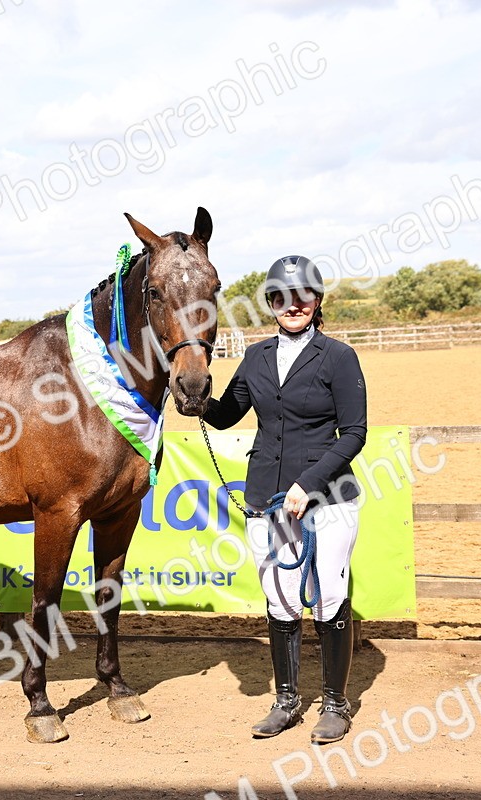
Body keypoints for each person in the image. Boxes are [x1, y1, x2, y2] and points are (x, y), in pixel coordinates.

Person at [202, 255, 367, 743]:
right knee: (279, 600)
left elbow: (354, 433)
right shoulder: (254, 357)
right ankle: (287, 701)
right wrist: (194, 398)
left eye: (301, 297)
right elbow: (227, 414)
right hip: (266, 498)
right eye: (280, 298)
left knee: (330, 599)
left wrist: (308, 484)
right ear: (270, 304)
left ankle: (336, 705)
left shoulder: (339, 357)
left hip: (328, 498)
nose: (291, 305)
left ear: (316, 302)